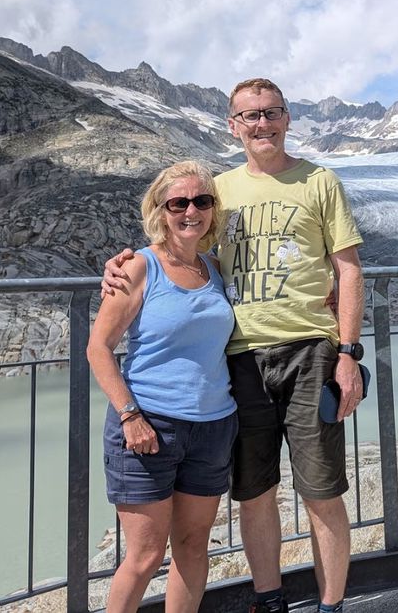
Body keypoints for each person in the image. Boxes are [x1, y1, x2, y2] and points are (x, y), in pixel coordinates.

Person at [103, 78, 365, 613]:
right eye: (250, 116)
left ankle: (331, 604)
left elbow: (348, 268)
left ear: (288, 118)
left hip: (310, 350)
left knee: (320, 489)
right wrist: (124, 263)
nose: (261, 123)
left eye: (271, 113)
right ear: (234, 125)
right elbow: (185, 243)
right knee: (254, 489)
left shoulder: (320, 181)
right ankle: (269, 599)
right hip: (240, 359)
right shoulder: (220, 191)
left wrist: (348, 352)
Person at [87, 160, 237, 613]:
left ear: (213, 209)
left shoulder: (214, 268)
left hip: (212, 427)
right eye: (179, 202)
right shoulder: (137, 267)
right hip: (149, 427)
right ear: (160, 209)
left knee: (193, 548)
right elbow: (99, 347)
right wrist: (130, 416)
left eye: (202, 201)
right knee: (145, 556)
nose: (191, 210)